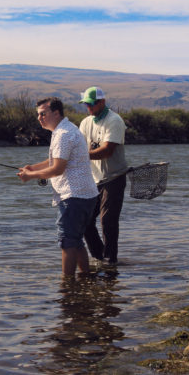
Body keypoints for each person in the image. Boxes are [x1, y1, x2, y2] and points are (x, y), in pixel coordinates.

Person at [18, 97, 99, 277]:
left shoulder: (63, 134)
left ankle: (67, 286)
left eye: (43, 114)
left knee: (68, 242)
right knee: (76, 241)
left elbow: (57, 169)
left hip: (74, 197)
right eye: (38, 115)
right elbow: (55, 160)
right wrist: (33, 167)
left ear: (56, 113)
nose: (40, 118)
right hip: (86, 195)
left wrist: (29, 176)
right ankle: (86, 278)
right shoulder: (65, 130)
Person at [78, 87, 128, 265]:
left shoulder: (114, 120)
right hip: (94, 179)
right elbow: (80, 148)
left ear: (102, 102)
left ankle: (111, 260)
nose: (88, 108)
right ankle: (100, 256)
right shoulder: (85, 123)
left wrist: (81, 155)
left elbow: (107, 151)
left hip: (114, 177)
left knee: (107, 220)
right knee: (85, 220)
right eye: (86, 104)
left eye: (91, 104)